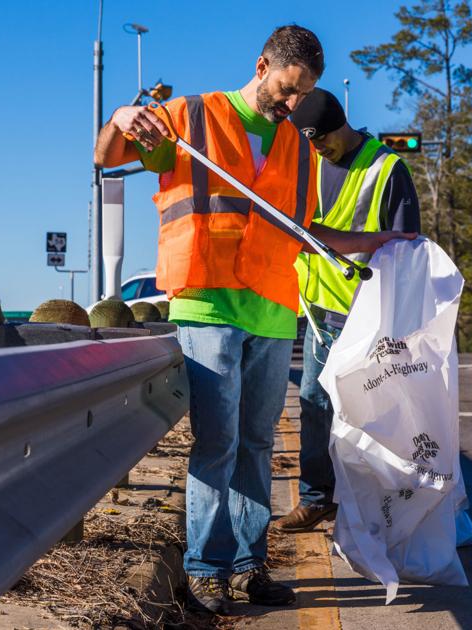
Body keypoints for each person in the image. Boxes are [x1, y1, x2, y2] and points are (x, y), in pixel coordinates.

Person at [94, 28, 416, 615]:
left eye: (304, 94)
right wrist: (120, 117)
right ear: (263, 66)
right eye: (289, 89)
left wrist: (375, 241)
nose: (294, 104)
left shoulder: (298, 146)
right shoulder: (191, 117)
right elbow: (106, 157)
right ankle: (206, 568)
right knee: (217, 442)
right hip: (208, 303)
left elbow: (304, 228)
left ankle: (248, 565)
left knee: (257, 443)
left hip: (272, 309)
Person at [276, 88, 422, 533]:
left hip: (370, 315)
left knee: (375, 413)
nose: (319, 148)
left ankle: (383, 506)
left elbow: (407, 248)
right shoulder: (308, 163)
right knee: (315, 404)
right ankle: (317, 498)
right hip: (320, 313)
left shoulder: (386, 168)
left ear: (341, 124)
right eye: (311, 142)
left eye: (322, 139)